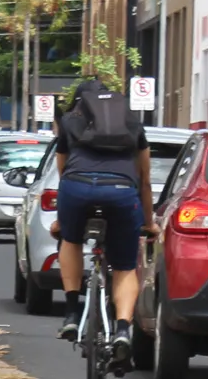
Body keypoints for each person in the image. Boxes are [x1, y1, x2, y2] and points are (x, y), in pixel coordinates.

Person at [50, 79, 160, 362]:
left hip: (76, 189)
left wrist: (63, 221)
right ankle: (122, 329)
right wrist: (148, 223)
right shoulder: (132, 123)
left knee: (70, 241)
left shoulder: (70, 122)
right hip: (122, 193)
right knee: (124, 267)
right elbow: (145, 180)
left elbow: (62, 173)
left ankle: (72, 312)